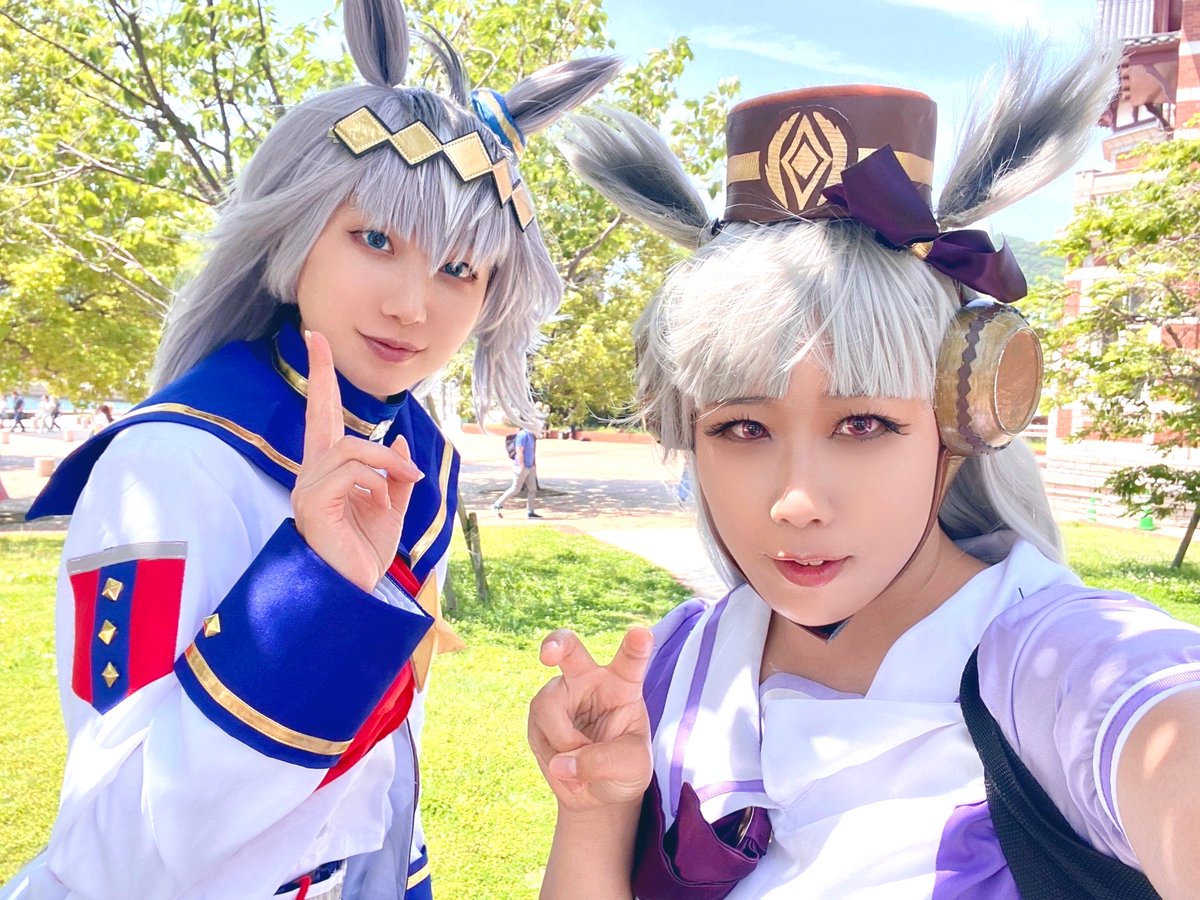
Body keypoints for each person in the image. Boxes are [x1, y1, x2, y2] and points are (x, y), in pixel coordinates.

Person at [527, 40, 1200, 899]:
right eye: (741, 427)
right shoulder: (676, 664)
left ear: (960, 425)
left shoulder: (1057, 669)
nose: (796, 501)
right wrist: (596, 810)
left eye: (865, 423)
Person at [0, 1, 617, 897]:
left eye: (458, 269)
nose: (413, 304)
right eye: (376, 239)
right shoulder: (173, 462)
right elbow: (117, 852)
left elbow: (374, 768)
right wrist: (312, 594)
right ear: (293, 237)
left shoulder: (418, 459)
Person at [493, 426, 541, 518]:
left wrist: (533, 465)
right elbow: (519, 451)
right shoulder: (523, 435)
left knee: (532, 489)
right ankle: (497, 505)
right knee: (515, 489)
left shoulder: (531, 435)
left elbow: (531, 451)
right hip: (521, 467)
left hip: (530, 467)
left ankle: (530, 511)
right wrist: (522, 466)